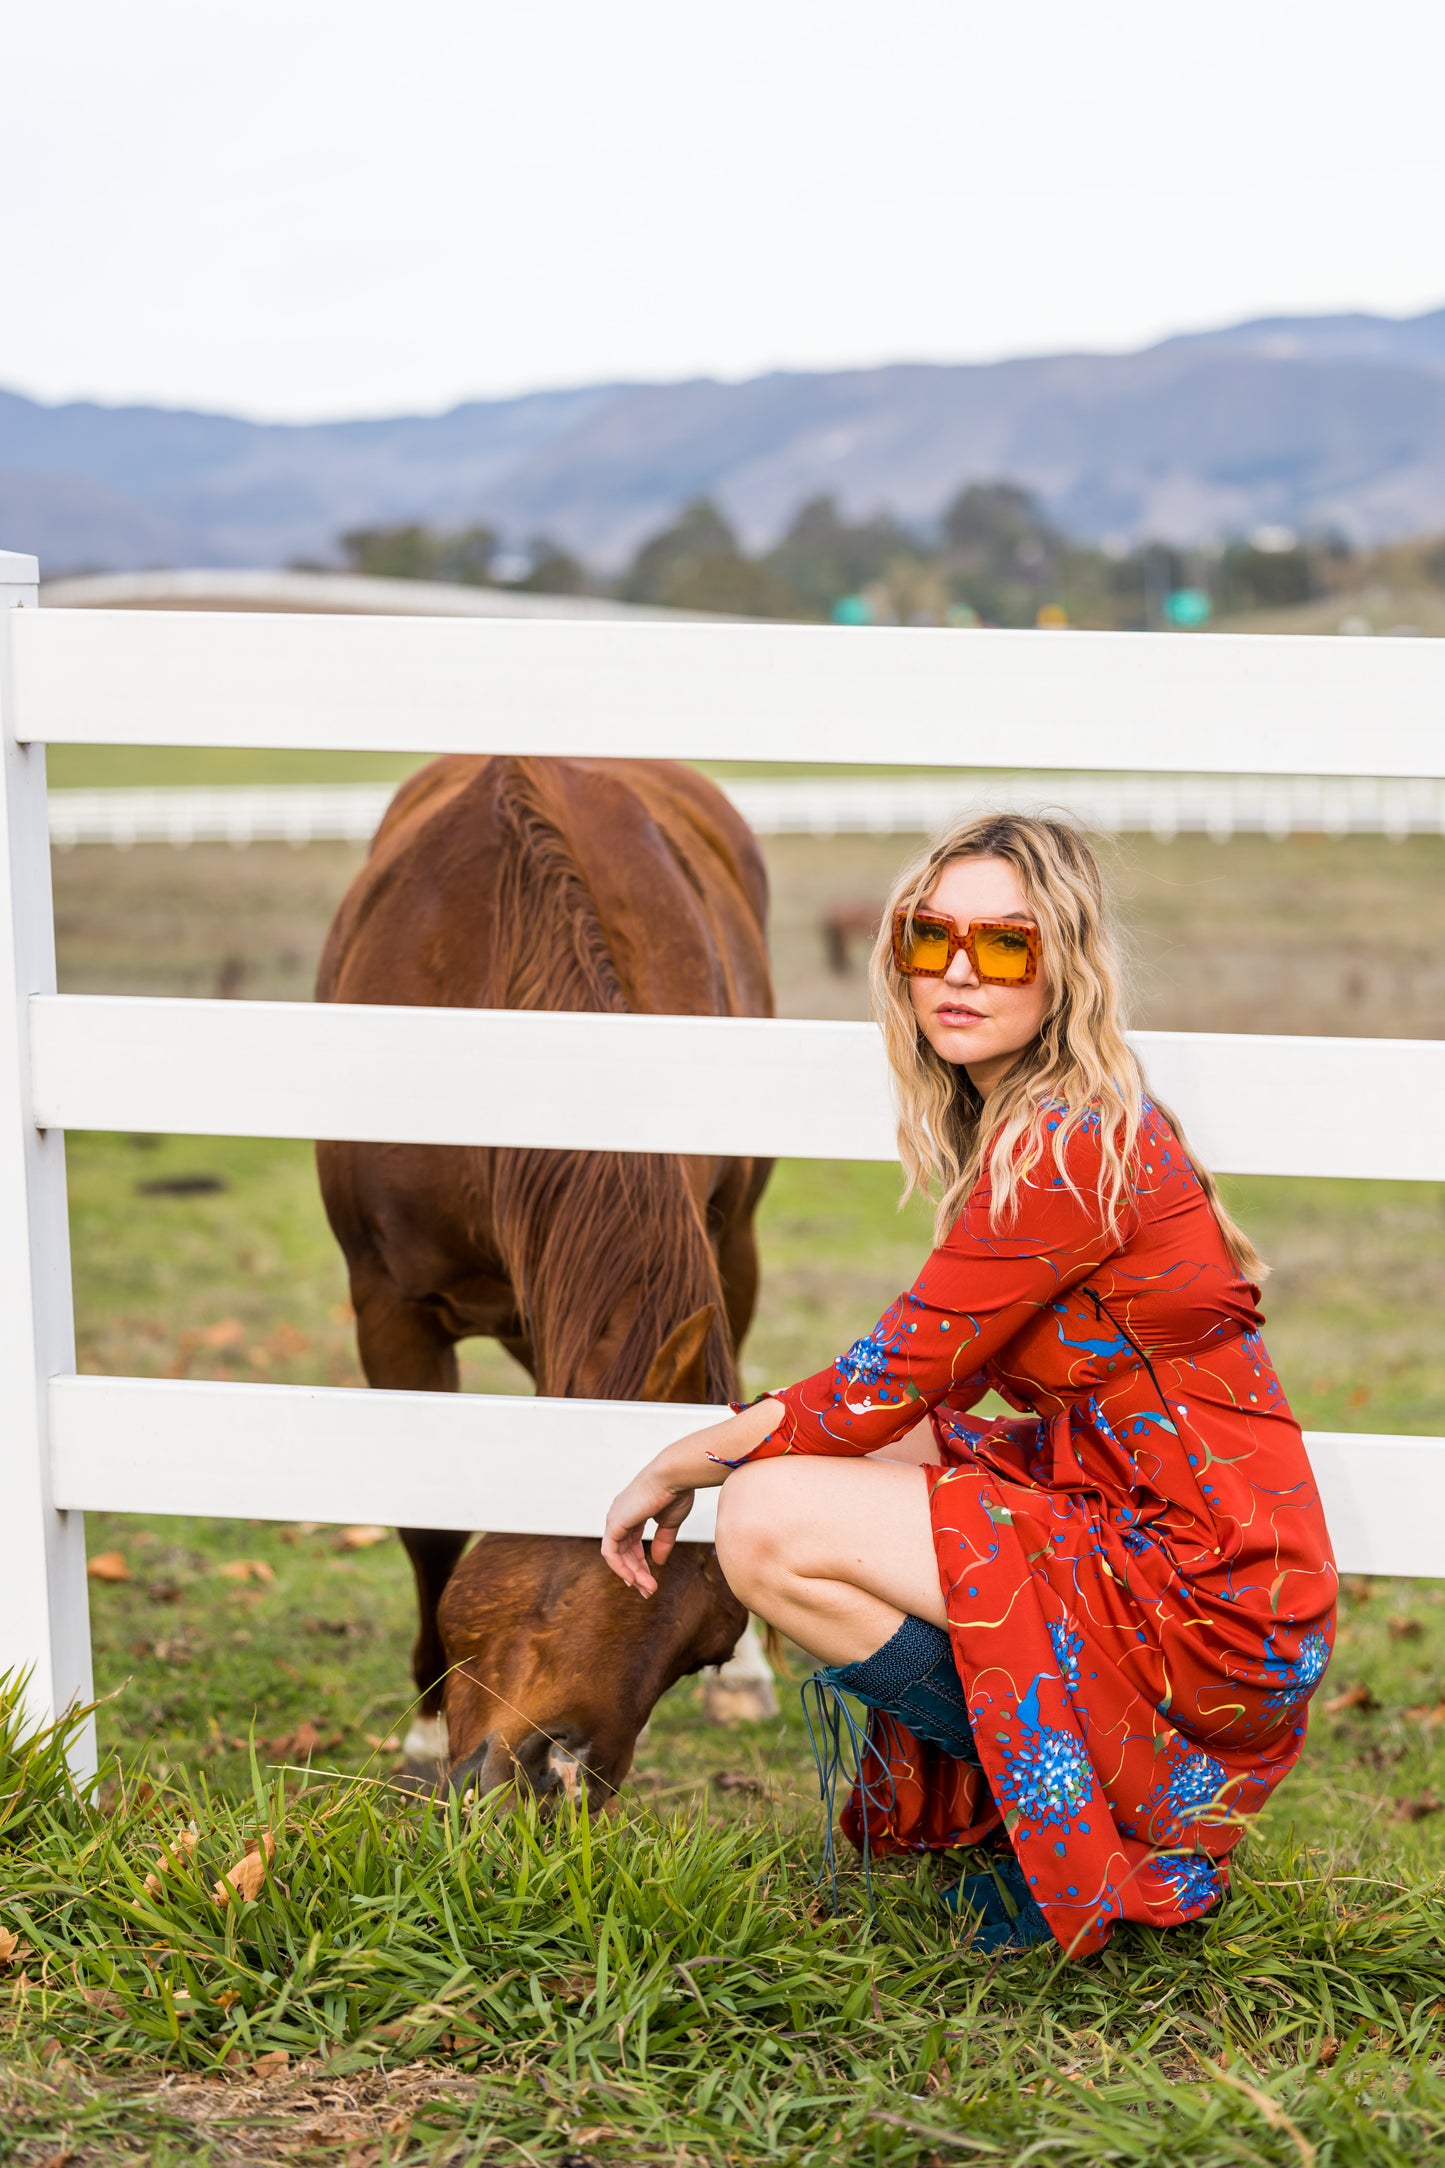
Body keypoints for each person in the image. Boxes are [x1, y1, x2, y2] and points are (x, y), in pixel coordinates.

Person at [601, 813, 1337, 1959]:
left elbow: (877, 1378)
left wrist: (673, 1462)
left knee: (763, 1516)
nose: (954, 968)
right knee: (836, 1468)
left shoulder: (1072, 1145)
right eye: (927, 935)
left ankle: (1091, 1832)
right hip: (1155, 1521)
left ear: (1064, 964)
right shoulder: (1037, 1126)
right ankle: (1052, 1819)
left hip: (1211, 1582)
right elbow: (894, 1403)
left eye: (1002, 944)